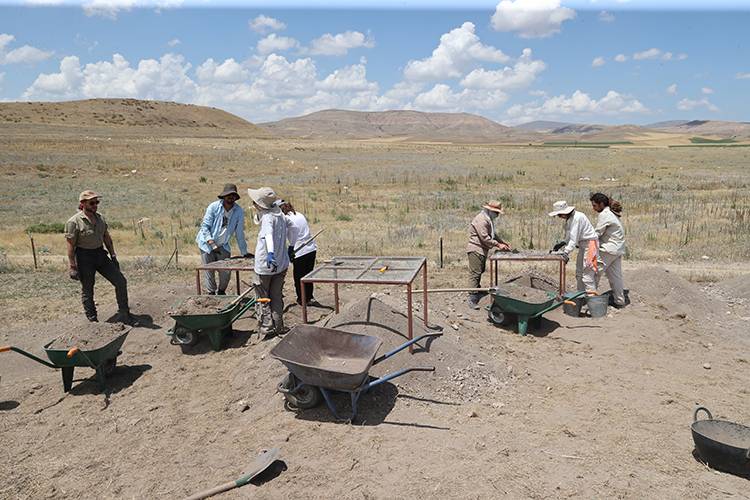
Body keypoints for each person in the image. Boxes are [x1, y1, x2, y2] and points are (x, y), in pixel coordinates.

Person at [65, 190, 131, 323]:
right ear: (83, 203)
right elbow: (70, 246)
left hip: (100, 254)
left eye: (97, 202)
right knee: (88, 289)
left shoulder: (100, 218)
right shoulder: (74, 222)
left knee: (120, 281)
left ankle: (124, 313)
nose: (95, 205)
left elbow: (107, 237)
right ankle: (92, 320)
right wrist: (72, 266)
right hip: (84, 257)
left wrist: (113, 256)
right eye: (92, 202)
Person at [248, 187, 292, 336]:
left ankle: (267, 329)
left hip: (266, 265)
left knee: (263, 297)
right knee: (276, 297)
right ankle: (278, 326)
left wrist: (270, 253)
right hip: (281, 264)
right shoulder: (278, 213)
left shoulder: (268, 217)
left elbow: (268, 235)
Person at [195, 184, 252, 295]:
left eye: (233, 196)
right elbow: (205, 227)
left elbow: (239, 232)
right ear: (223, 196)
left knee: (226, 271)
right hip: (207, 244)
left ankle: (221, 292)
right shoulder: (213, 207)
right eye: (228, 195)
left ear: (236, 197)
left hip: (223, 245)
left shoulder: (238, 211)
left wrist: (244, 252)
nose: (230, 198)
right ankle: (211, 294)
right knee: (209, 270)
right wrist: (211, 243)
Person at [466, 200, 511, 309]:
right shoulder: (482, 220)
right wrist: (498, 245)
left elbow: (493, 235)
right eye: (496, 212)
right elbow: (485, 238)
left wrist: (502, 242)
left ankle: (477, 291)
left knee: (479, 271)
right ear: (490, 211)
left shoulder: (487, 219)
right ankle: (472, 298)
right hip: (476, 249)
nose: (497, 215)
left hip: (481, 249)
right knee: (475, 273)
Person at [548, 200, 600, 294]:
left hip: (590, 245)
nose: (559, 217)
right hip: (583, 246)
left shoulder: (577, 218)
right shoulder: (571, 219)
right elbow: (569, 236)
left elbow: (573, 239)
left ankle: (592, 300)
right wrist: (563, 243)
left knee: (587, 275)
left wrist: (566, 252)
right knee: (579, 273)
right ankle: (581, 297)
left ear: (564, 213)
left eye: (559, 215)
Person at [279, 200, 320, 307]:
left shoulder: (285, 219)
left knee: (299, 278)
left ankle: (302, 299)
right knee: (308, 276)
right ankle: (309, 297)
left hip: (299, 251)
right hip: (311, 249)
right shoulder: (299, 215)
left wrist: (289, 250)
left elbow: (285, 236)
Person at [590, 193, 626, 307]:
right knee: (615, 277)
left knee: (594, 273)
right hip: (617, 249)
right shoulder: (611, 214)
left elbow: (597, 233)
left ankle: (591, 300)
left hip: (608, 249)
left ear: (601, 204)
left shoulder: (605, 214)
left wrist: (583, 241)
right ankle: (619, 301)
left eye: (595, 205)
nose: (593, 208)